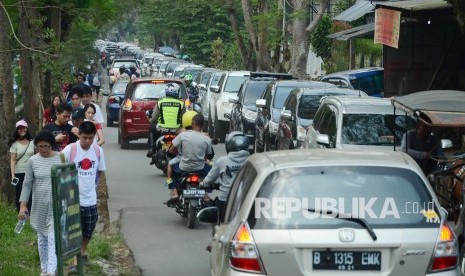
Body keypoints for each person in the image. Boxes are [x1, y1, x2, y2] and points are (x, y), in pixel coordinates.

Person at [62, 121, 106, 268]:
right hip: (73, 199)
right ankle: (76, 261)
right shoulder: (70, 150)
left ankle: (82, 252)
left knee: (88, 229)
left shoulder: (98, 151)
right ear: (78, 135)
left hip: (90, 198)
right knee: (74, 231)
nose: (87, 141)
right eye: (84, 137)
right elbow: (60, 170)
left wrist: (92, 184)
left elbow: (99, 170)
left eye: (90, 138)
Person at [18, 130, 62, 276]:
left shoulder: (61, 158)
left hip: (56, 205)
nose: (43, 149)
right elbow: (27, 184)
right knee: (42, 238)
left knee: (52, 238)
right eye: (40, 146)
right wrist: (23, 205)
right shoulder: (33, 161)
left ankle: (51, 271)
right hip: (39, 205)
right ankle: (44, 269)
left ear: (52, 146)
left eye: (46, 146)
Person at [200, 131, 250, 218]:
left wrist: (202, 184)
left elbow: (208, 180)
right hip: (246, 201)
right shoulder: (252, 160)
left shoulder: (222, 161)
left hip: (225, 200)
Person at [166, 113, 213, 204]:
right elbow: (207, 156)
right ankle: (206, 194)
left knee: (171, 175)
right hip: (200, 168)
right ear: (202, 125)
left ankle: (174, 193)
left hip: (183, 167)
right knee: (211, 173)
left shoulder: (182, 135)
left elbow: (171, 150)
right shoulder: (206, 139)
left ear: (193, 123)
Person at [148, 83, 185, 164]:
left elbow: (154, 118)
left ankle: (151, 149)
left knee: (151, 127)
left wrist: (152, 121)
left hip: (162, 129)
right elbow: (184, 118)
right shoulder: (181, 104)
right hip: (177, 130)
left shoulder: (160, 102)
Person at [9, 119, 34, 212]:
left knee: (31, 193)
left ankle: (30, 213)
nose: (22, 130)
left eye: (24, 128)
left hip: (31, 171)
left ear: (27, 129)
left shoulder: (32, 142)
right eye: (19, 128)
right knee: (19, 193)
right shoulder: (14, 143)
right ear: (17, 130)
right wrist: (13, 175)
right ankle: (20, 213)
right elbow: (12, 160)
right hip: (19, 172)